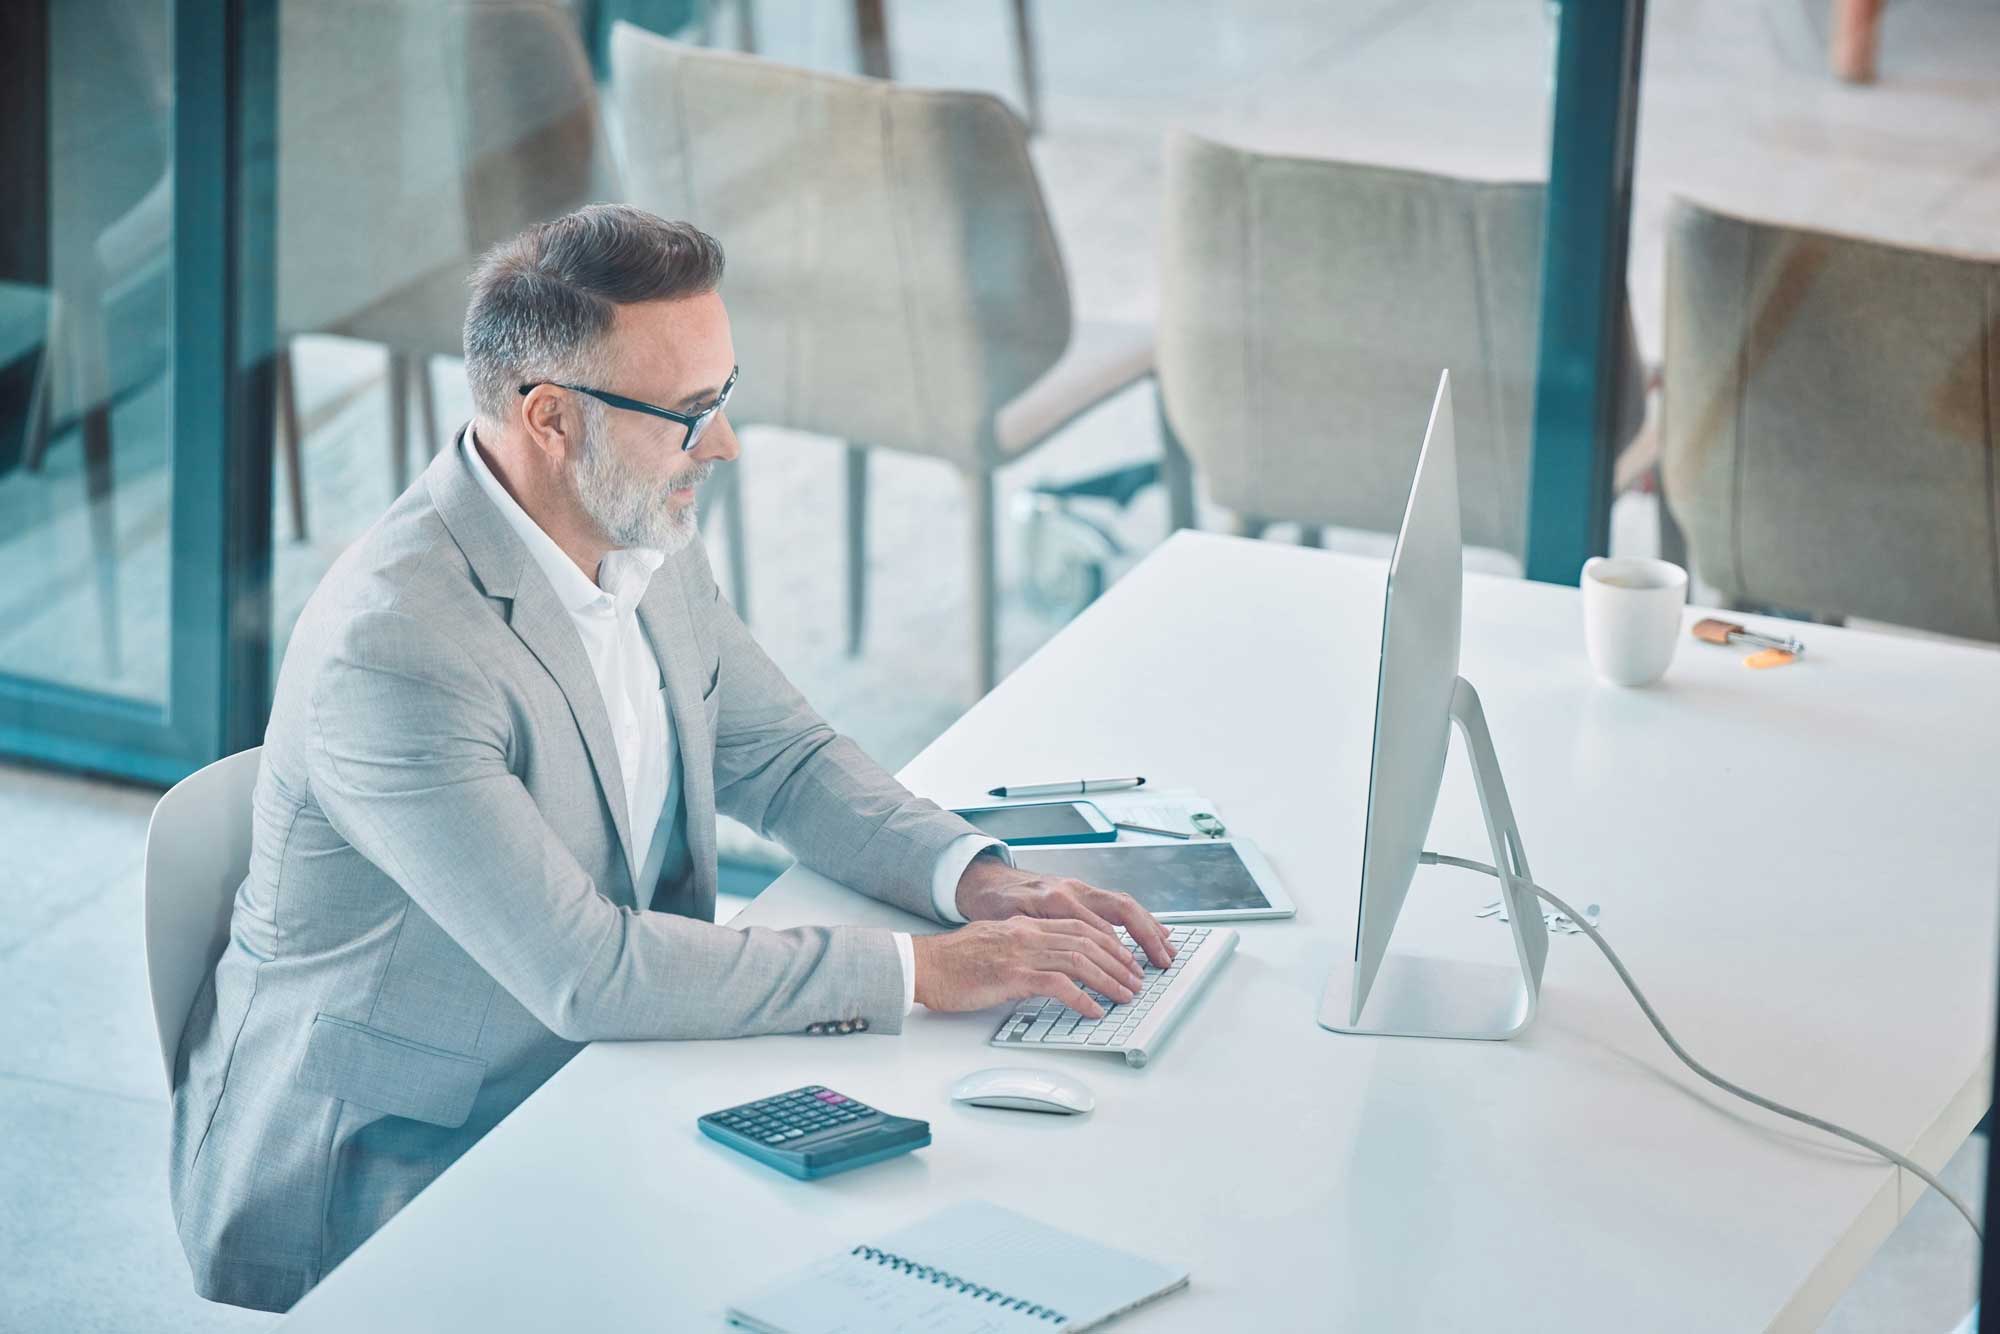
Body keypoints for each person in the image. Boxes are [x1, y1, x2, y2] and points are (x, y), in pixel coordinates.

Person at [169, 204, 1174, 1311]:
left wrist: (978, 879)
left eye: (724, 397)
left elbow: (781, 755)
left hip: (612, 1069)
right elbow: (587, 971)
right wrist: (925, 968)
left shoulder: (629, 520)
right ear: (548, 416)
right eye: (689, 412)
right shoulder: (397, 650)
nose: (725, 444)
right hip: (405, 1159)